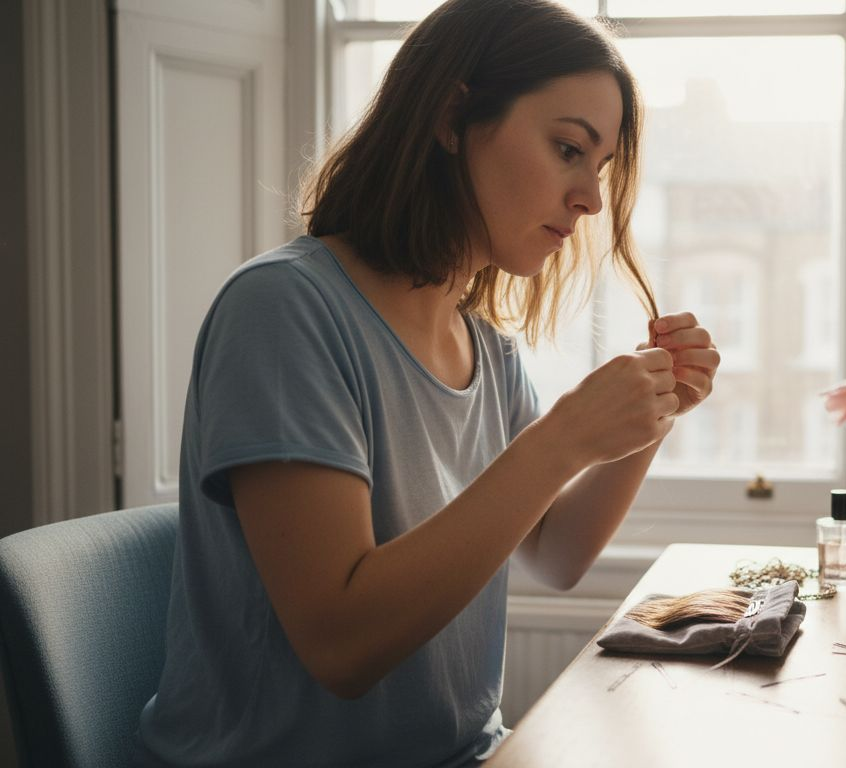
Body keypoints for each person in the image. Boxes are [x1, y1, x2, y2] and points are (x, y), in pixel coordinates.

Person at [133, 1, 719, 765]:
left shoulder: (486, 348)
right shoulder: (284, 310)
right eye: (569, 149)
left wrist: (649, 417)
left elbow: (554, 553)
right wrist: (565, 436)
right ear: (452, 116)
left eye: (600, 167)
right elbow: (342, 646)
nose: (591, 199)